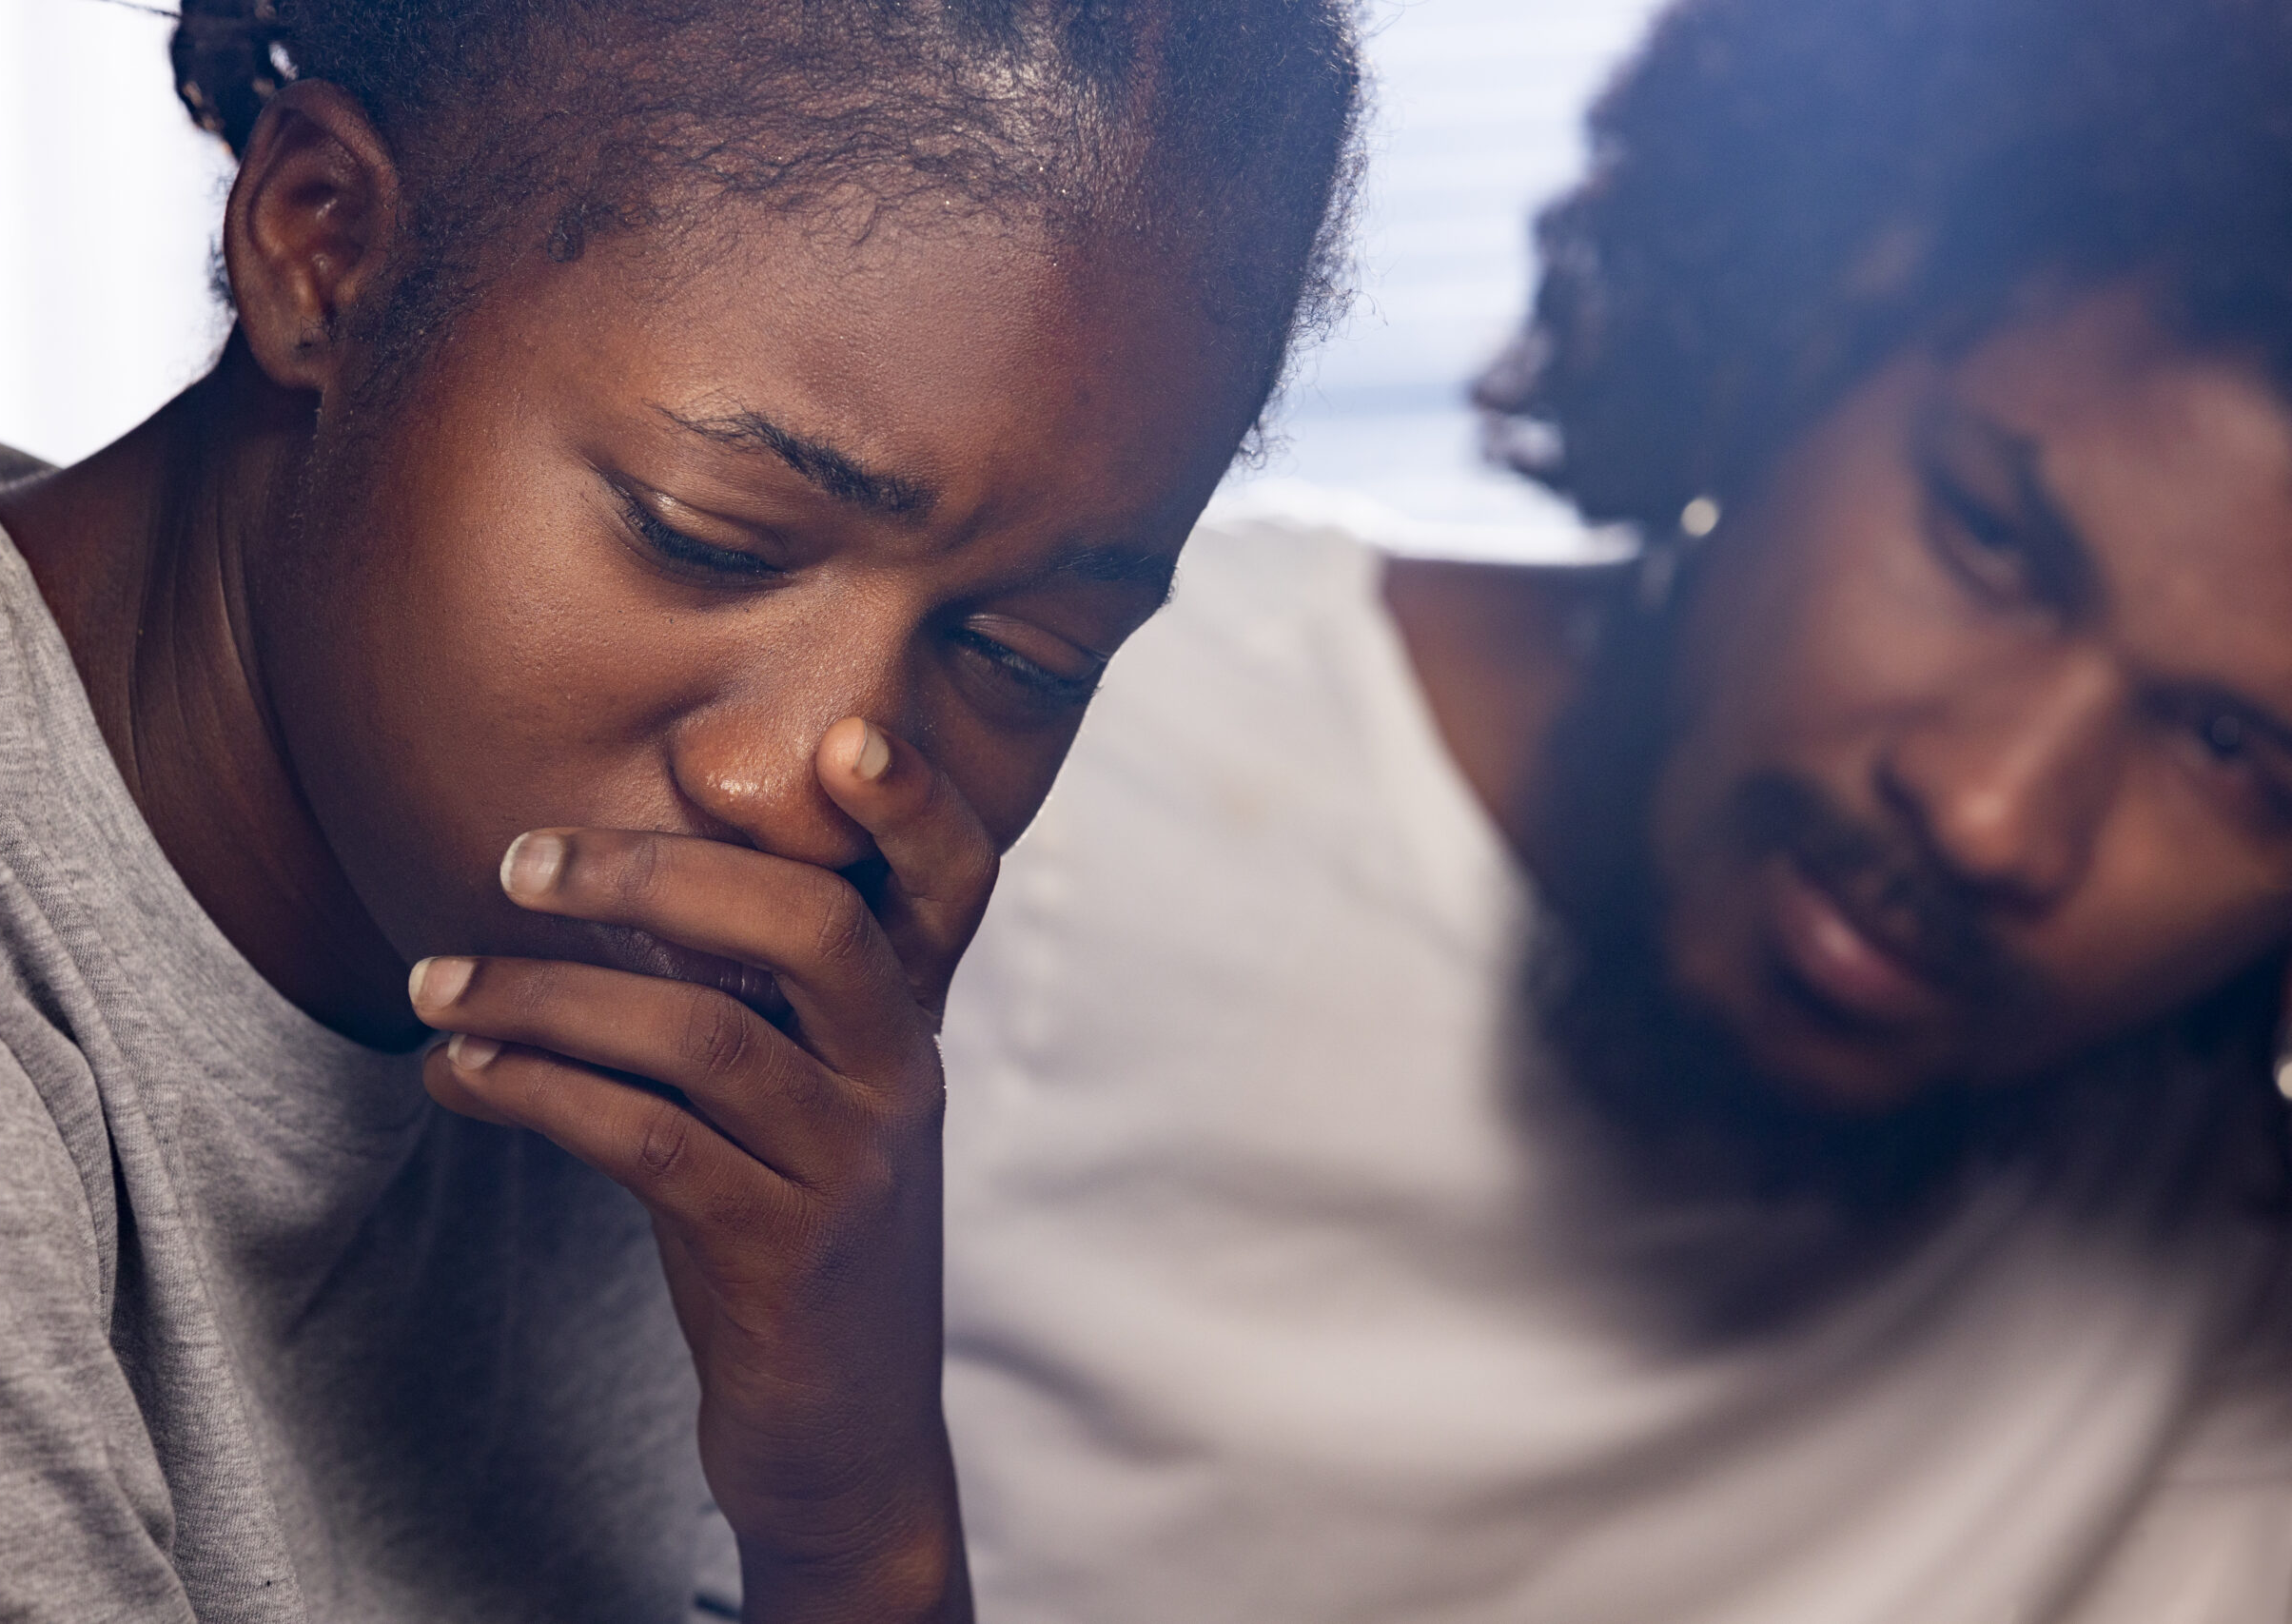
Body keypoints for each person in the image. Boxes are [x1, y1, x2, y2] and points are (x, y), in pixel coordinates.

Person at [0, 3, 1361, 1619]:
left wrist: (854, 1517)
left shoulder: (606, 985)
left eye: (1024, 656)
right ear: (325, 246)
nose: (813, 786)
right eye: (707, 536)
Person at [939, 0, 2292, 1618]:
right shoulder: (1028, 769)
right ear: (1816, 321)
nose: (1994, 814)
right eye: (1988, 538)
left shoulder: (2215, 1283)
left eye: (2235, 750)